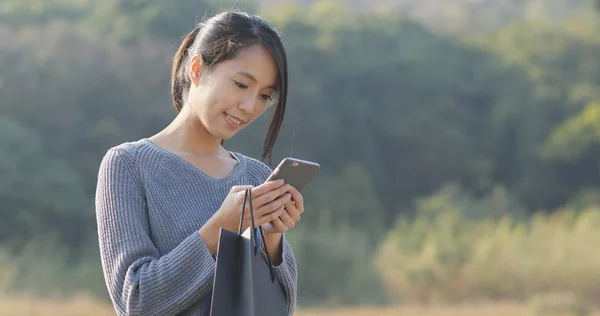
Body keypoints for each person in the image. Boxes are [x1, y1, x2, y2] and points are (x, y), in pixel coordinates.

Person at [94, 11, 301, 316]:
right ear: (196, 68)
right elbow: (135, 301)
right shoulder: (128, 165)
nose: (249, 107)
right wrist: (221, 228)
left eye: (264, 96)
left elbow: (281, 309)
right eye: (242, 85)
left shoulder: (257, 176)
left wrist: (272, 238)